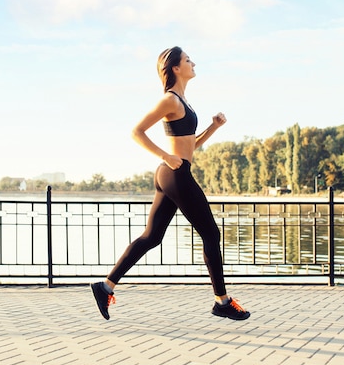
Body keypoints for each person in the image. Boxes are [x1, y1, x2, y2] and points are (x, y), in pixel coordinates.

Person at [91, 46, 250, 321]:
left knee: (152, 237)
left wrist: (213, 127)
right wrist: (165, 155)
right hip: (174, 173)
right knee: (211, 234)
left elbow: (190, 146)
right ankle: (222, 301)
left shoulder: (183, 101)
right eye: (188, 60)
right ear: (175, 67)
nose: (193, 63)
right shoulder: (170, 100)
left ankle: (105, 286)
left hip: (173, 171)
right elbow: (136, 132)